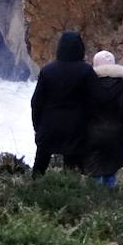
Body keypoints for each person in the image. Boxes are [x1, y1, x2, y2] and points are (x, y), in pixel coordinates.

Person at [30, 31, 97, 175]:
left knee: (40, 167)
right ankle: (69, 194)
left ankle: (33, 193)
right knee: (73, 171)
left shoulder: (48, 71)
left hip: (49, 126)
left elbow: (36, 102)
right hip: (76, 128)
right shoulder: (86, 71)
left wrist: (38, 126)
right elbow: (94, 101)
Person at [83, 50, 123, 188]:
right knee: (110, 171)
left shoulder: (88, 86)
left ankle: (97, 203)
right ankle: (111, 201)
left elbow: (82, 112)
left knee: (95, 172)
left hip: (92, 136)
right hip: (116, 136)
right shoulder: (122, 87)